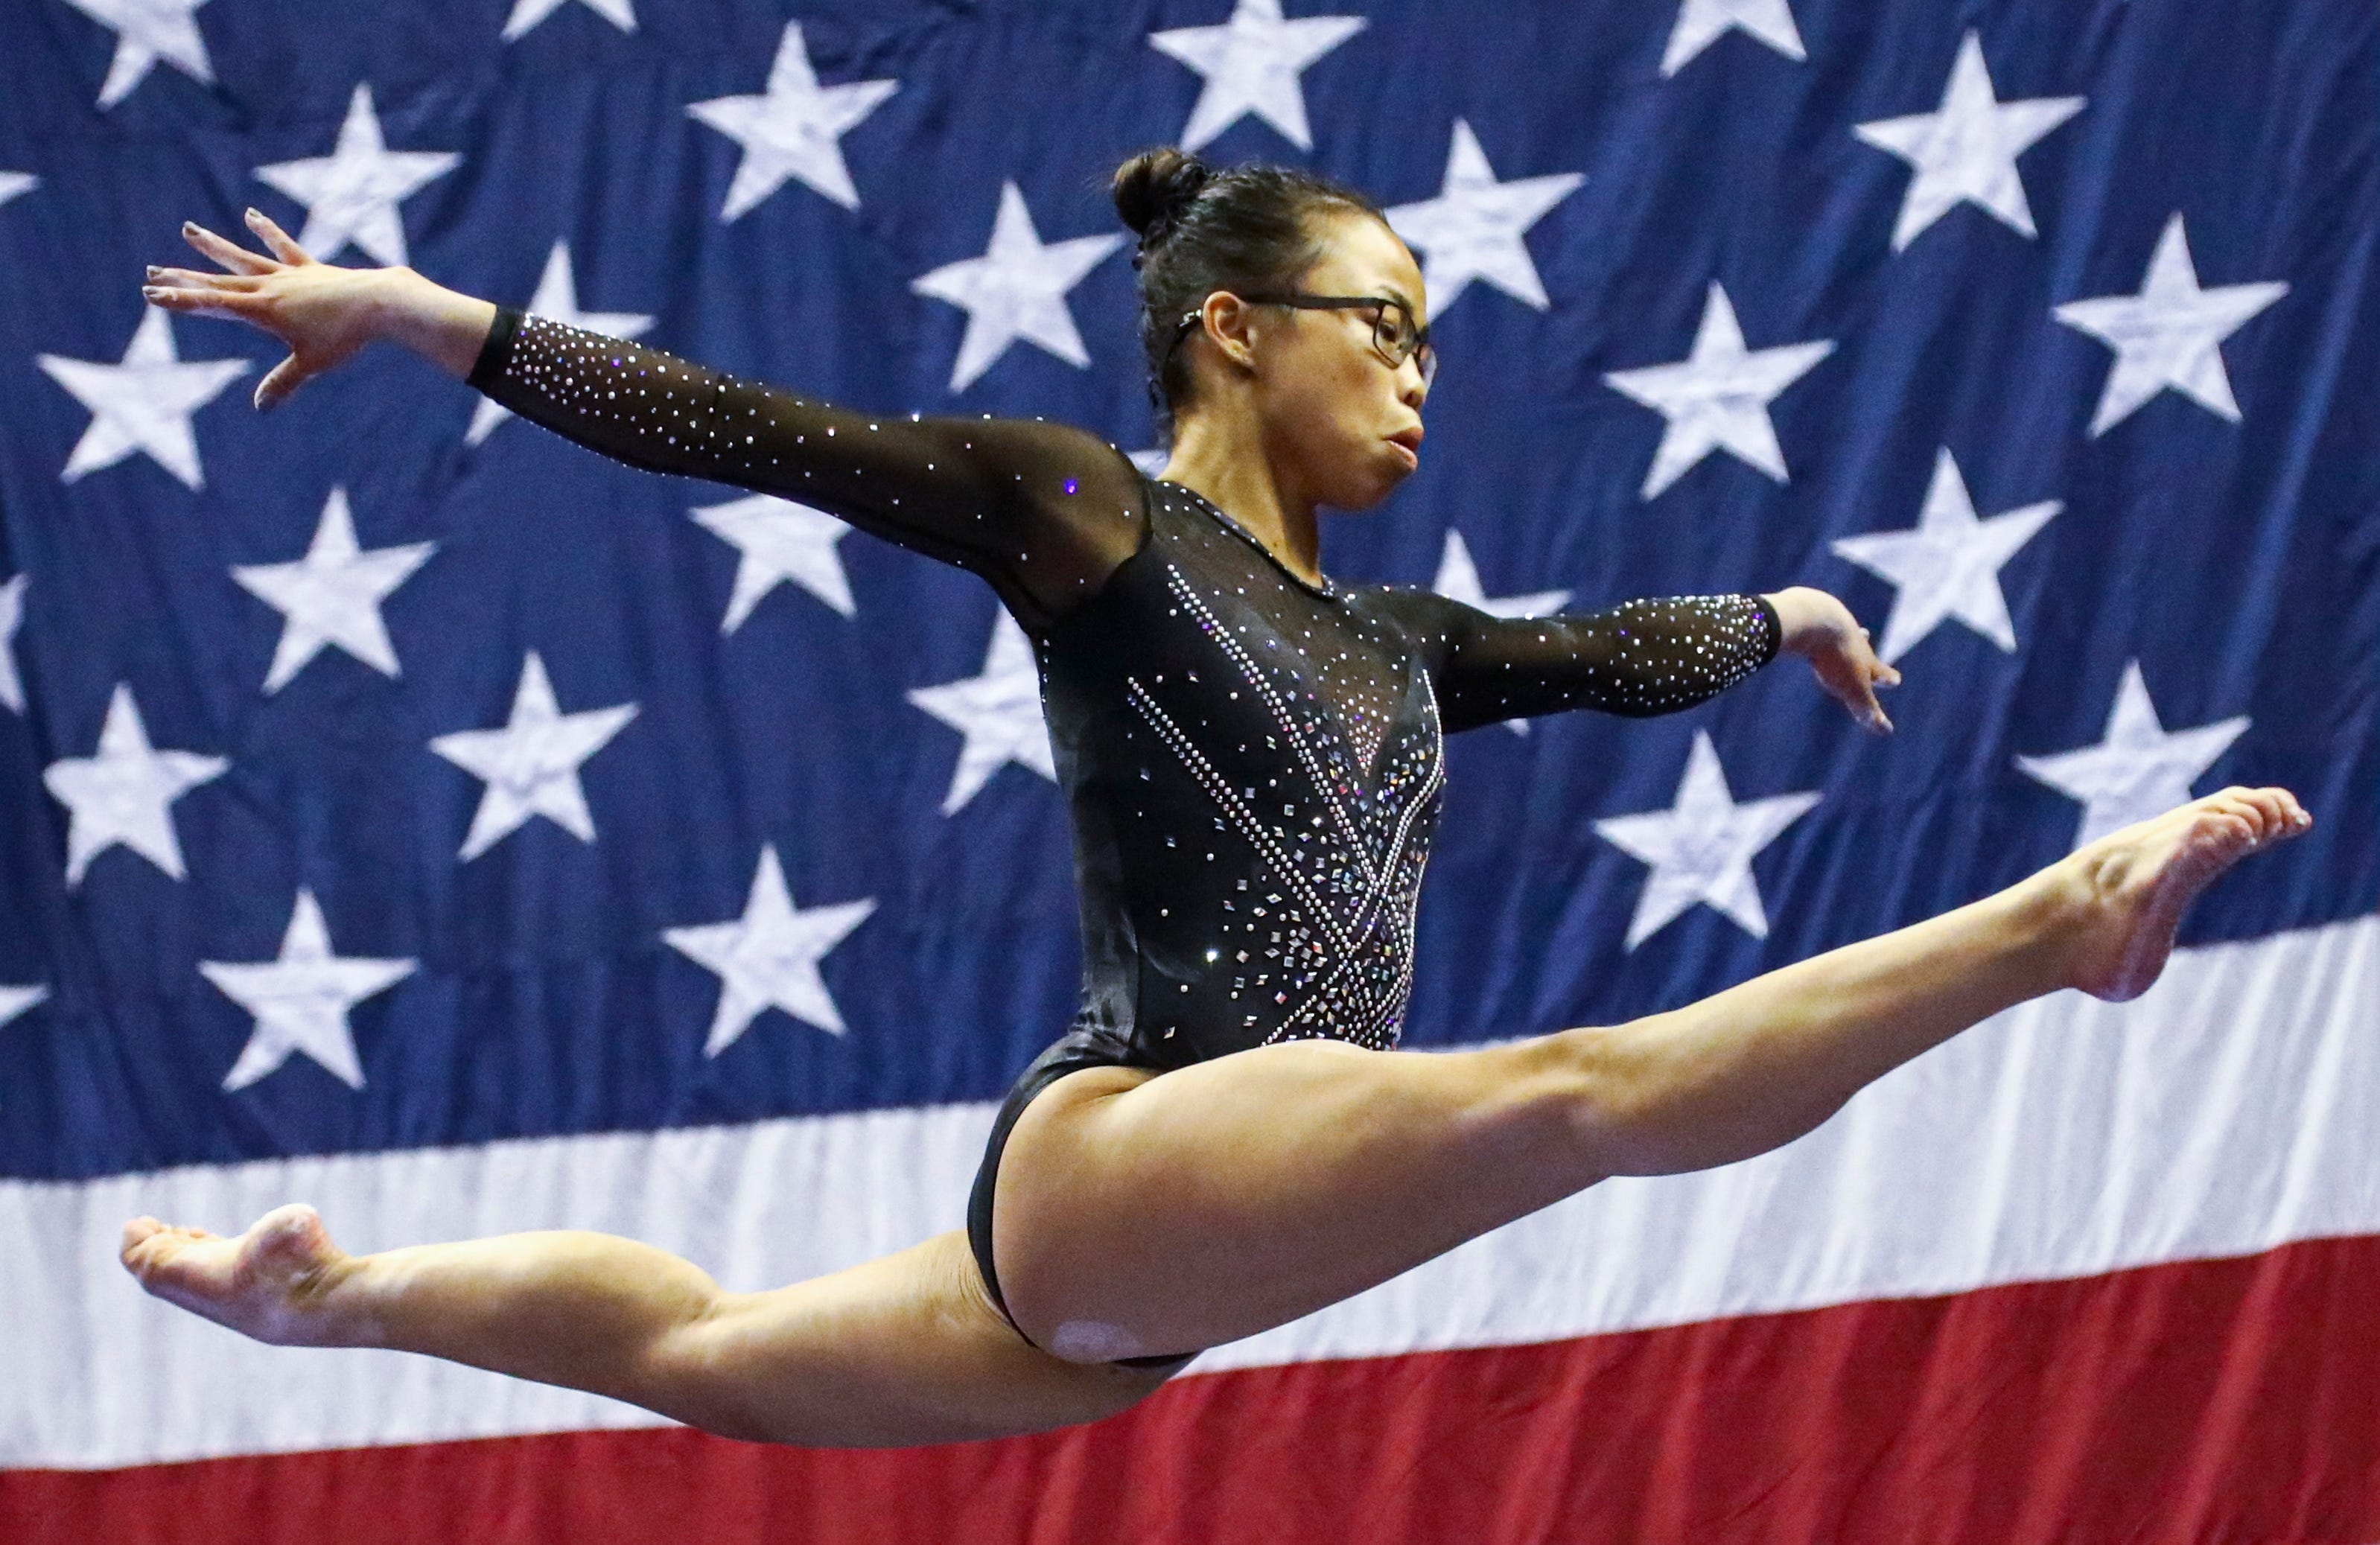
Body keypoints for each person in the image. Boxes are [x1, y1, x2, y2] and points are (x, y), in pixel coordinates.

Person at [121, 150, 2310, 1450]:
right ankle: (2058, 925)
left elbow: (1606, 649)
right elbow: (740, 426)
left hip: (1118, 1303)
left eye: (1438, 342)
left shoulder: (1404, 641)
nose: (1421, 374)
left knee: (702, 1351)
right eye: (1391, 326)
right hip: (1128, 1141)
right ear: (1240, 327)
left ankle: (331, 1299)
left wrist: (1786, 605)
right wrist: (422, 313)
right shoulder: (1084, 511)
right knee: (1571, 1087)